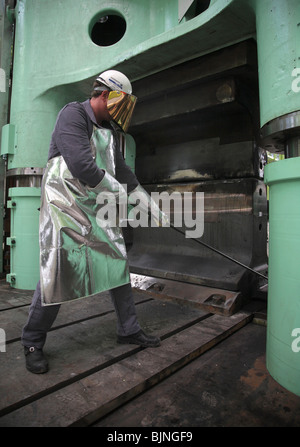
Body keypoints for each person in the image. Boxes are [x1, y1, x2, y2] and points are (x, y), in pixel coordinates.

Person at [21, 70, 164, 374]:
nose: (118, 113)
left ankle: (128, 329)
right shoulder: (72, 115)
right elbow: (82, 165)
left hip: (95, 203)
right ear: (104, 96)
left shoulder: (110, 130)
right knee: (59, 270)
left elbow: (121, 170)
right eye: (118, 104)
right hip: (66, 204)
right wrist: (120, 195)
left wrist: (144, 197)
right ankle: (32, 341)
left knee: (117, 259)